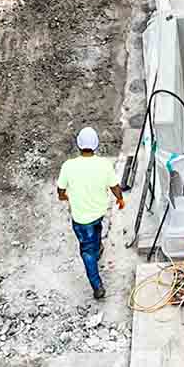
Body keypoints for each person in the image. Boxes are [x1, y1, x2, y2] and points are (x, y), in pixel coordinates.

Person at [57, 126, 124, 299]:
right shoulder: (104, 165)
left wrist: (66, 196)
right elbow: (114, 186)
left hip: (80, 218)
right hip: (98, 212)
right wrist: (120, 199)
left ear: (79, 145)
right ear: (96, 145)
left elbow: (61, 191)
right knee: (97, 228)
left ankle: (97, 286)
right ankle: (98, 247)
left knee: (86, 250)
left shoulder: (68, 166)